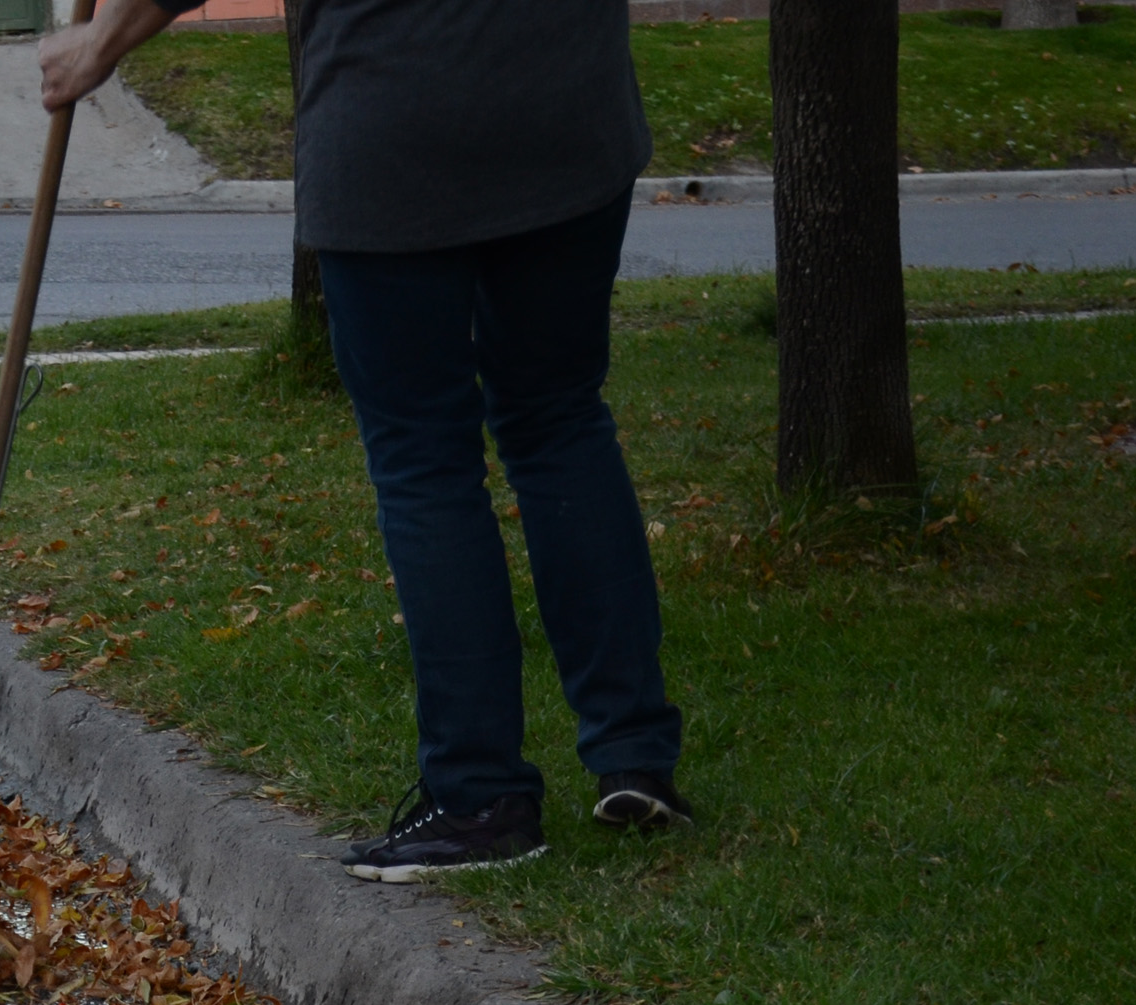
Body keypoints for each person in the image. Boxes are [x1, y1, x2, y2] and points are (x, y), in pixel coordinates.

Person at [40, 0, 689, 882]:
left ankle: (479, 797)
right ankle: (633, 756)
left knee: (425, 457)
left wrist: (100, 41)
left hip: (394, 120)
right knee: (558, 417)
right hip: (565, 110)